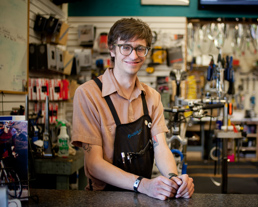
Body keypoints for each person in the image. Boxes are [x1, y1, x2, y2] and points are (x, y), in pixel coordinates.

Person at [71, 18, 194, 200]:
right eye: (125, 47)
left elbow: (161, 148)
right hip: (103, 198)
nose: (134, 55)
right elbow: (94, 164)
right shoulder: (88, 94)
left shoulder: (152, 97)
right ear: (112, 49)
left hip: (144, 196)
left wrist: (174, 181)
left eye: (140, 48)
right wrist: (143, 184)